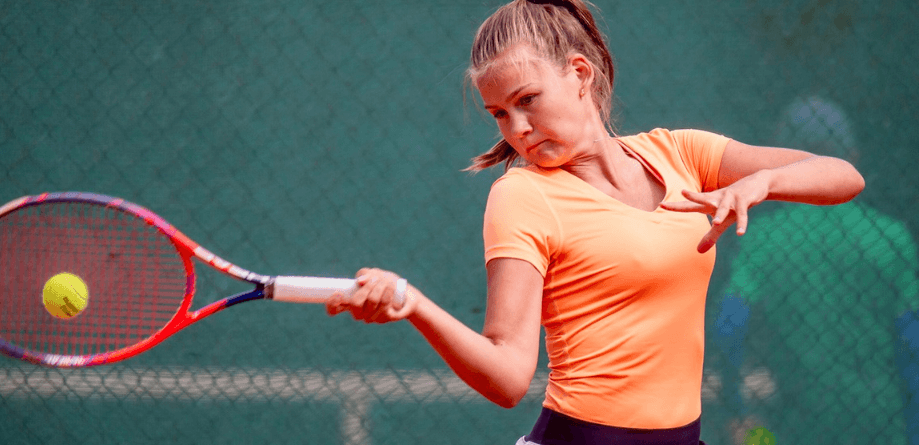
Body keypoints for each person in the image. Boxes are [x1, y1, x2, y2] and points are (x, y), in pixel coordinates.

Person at [325, 1, 865, 444]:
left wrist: (761, 182)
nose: (517, 128)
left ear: (579, 73)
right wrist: (413, 305)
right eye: (499, 114)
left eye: (527, 100)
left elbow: (842, 177)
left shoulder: (682, 154)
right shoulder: (521, 196)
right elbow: (509, 377)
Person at [717, 96, 918, 444]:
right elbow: (910, 335)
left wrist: (735, 408)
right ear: (852, 159)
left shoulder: (762, 237)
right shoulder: (890, 235)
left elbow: (729, 325)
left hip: (794, 419)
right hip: (881, 420)